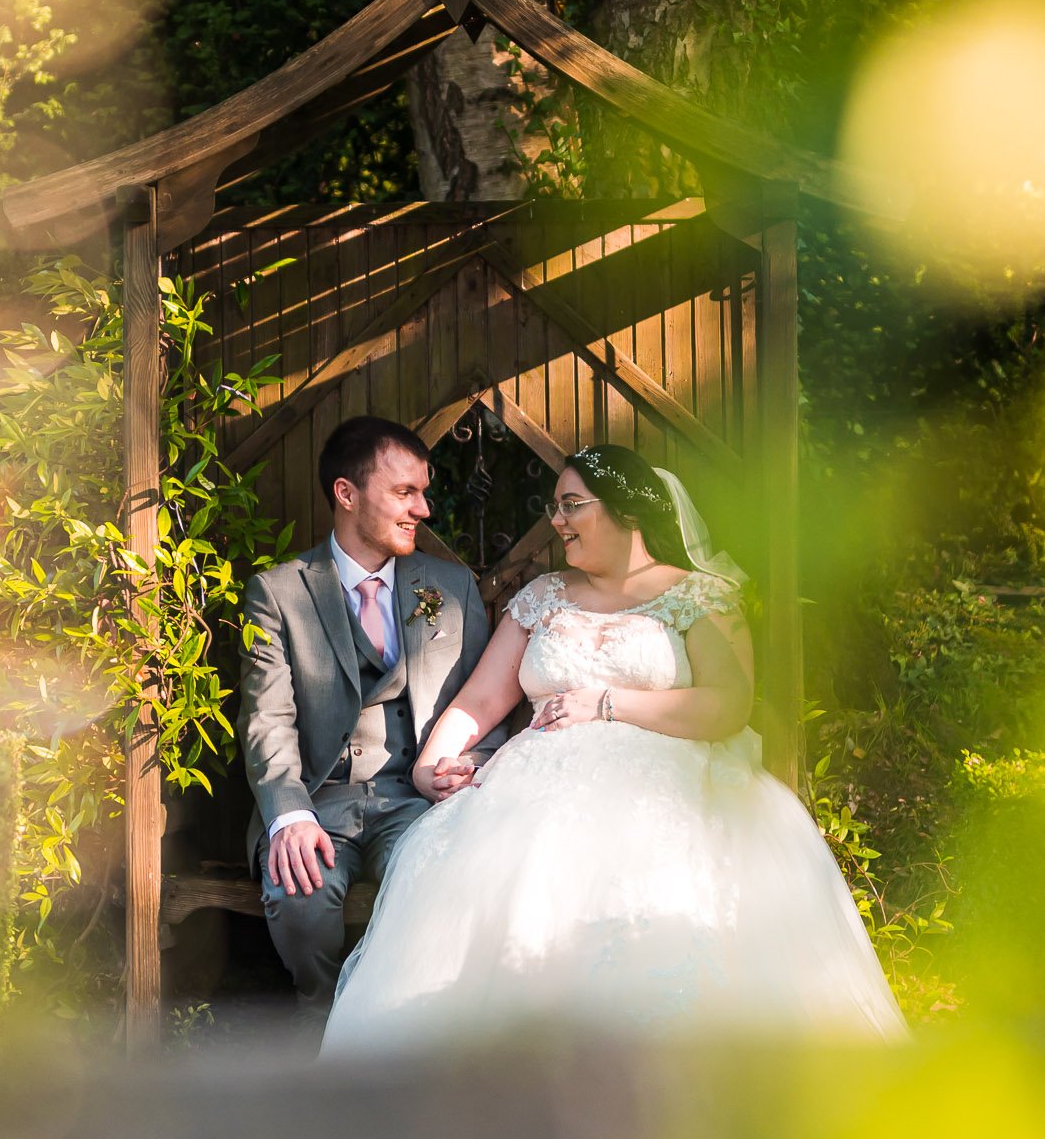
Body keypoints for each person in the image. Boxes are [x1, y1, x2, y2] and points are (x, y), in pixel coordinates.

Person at [322, 444, 907, 1052]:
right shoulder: (545, 595)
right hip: (531, 796)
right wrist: (426, 766)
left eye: (572, 505)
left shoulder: (698, 596)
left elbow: (727, 704)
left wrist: (605, 702)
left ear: (628, 512)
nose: (558, 520)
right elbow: (482, 701)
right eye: (554, 507)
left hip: (672, 794)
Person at [237, 415, 507, 1035]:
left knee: (441, 883)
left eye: (424, 491)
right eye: (405, 492)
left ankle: (410, 1033)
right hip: (318, 799)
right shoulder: (279, 593)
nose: (424, 510)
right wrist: (288, 815)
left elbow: (484, 709)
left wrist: (465, 770)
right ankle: (324, 1025)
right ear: (346, 493)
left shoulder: (450, 586)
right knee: (300, 897)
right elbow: (267, 718)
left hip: (418, 800)